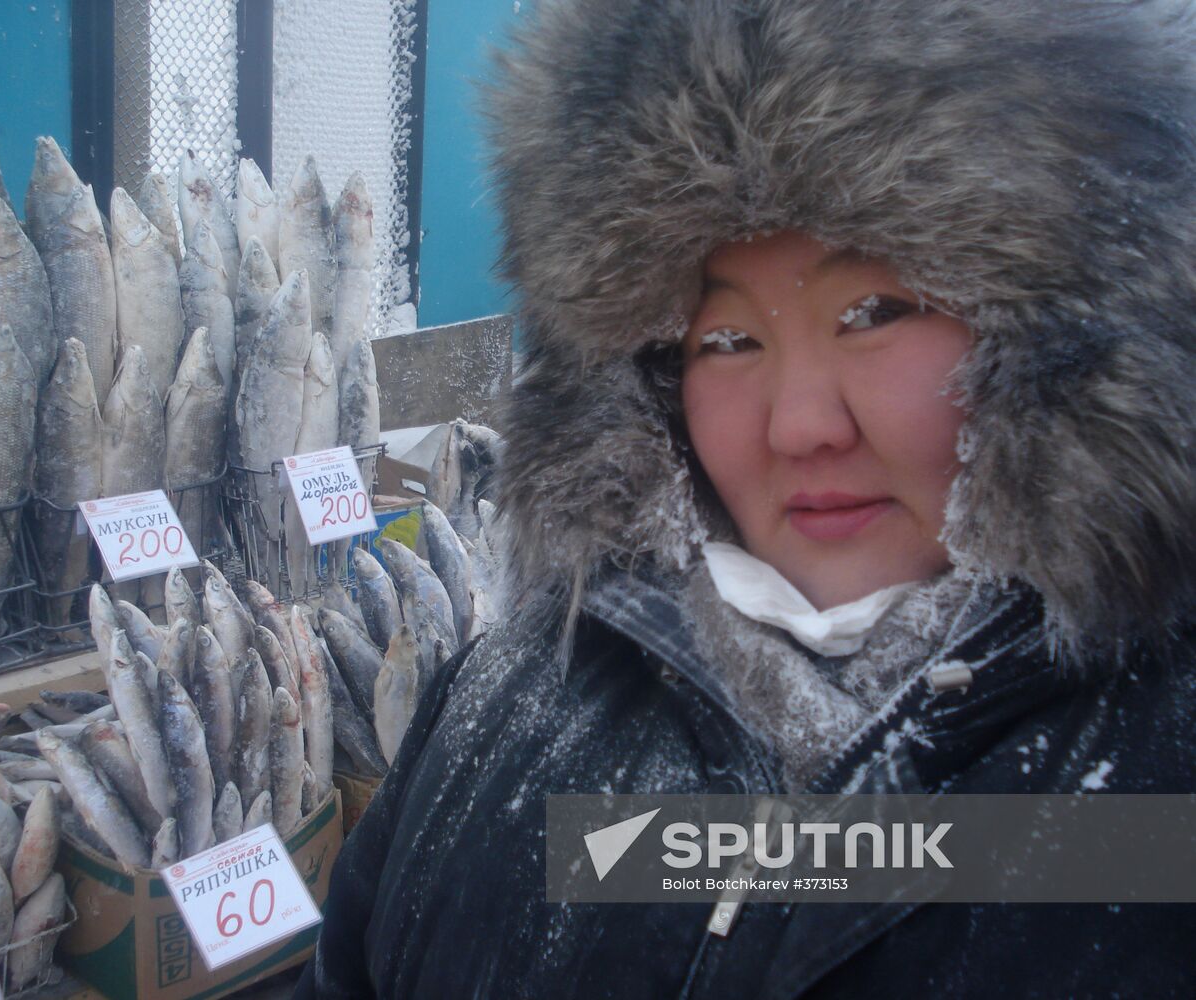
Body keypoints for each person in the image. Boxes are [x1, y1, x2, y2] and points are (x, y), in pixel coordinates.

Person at [300, 0, 1196, 995]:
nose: (799, 424)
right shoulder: (500, 695)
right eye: (726, 339)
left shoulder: (1158, 772)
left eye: (874, 311)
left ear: (1064, 336)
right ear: (642, 375)